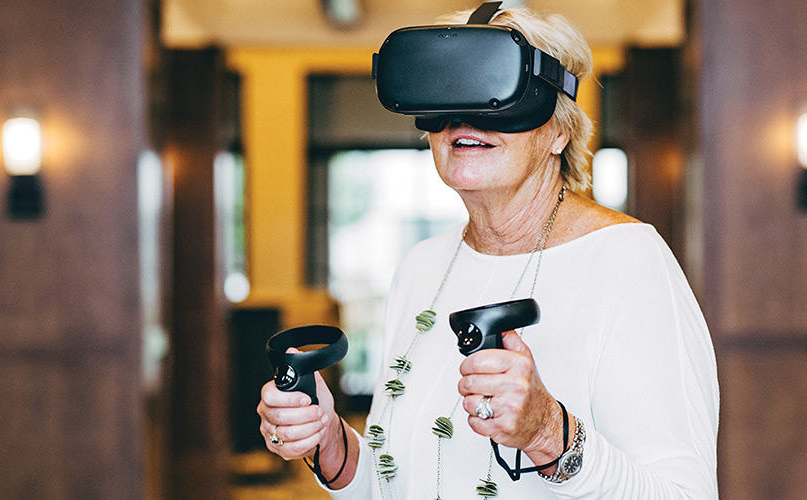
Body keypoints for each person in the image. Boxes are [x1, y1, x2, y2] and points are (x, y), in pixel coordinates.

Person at [258, 4, 719, 499]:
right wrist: (328, 441)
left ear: (558, 131)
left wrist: (549, 436)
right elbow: (395, 480)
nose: (464, 120)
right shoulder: (422, 267)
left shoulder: (629, 262)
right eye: (446, 95)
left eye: (494, 91)